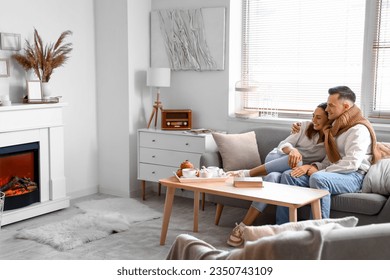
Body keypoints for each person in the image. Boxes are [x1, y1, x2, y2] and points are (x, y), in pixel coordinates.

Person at [227, 102, 331, 247]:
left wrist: (310, 165)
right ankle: (247, 173)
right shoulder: (305, 126)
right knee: (297, 162)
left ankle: (244, 226)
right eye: (313, 116)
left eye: (319, 118)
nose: (314, 120)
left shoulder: (333, 140)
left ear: (329, 119)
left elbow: (327, 164)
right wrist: (292, 151)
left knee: (273, 179)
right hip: (276, 158)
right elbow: (283, 144)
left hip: (287, 169)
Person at [275, 86, 382, 224]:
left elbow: (352, 163)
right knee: (289, 176)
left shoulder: (358, 129)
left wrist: (320, 170)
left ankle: (318, 231)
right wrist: (313, 166)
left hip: (354, 176)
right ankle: (283, 228)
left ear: (345, 106)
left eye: (331, 105)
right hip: (335, 173)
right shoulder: (335, 128)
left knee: (319, 178)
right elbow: (330, 159)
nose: (327, 109)